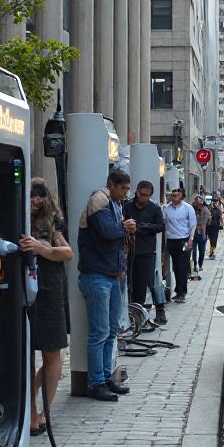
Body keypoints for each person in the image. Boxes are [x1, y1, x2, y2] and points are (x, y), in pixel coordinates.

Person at [77, 169, 136, 401]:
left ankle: (104, 377)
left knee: (110, 331)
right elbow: (108, 232)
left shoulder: (114, 204)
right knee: (99, 332)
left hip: (111, 276)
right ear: (111, 185)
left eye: (126, 190)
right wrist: (125, 228)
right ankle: (95, 382)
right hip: (97, 275)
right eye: (122, 189)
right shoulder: (99, 201)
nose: (124, 194)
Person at [19, 179, 72, 436]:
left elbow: (67, 252)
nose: (35, 200)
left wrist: (40, 247)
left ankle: (43, 413)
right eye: (30, 195)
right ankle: (30, 414)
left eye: (39, 195)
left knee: (51, 353)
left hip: (49, 292)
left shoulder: (53, 223)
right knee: (25, 356)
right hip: (21, 295)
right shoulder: (15, 217)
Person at [124, 180, 168, 325]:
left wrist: (141, 227)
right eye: (141, 194)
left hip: (147, 251)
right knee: (129, 283)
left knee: (146, 282)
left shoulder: (154, 209)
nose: (143, 198)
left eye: (146, 196)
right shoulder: (128, 205)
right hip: (129, 251)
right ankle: (130, 314)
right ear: (136, 191)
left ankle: (143, 313)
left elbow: (160, 226)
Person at [163, 186, 197, 303]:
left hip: (183, 239)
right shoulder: (167, 209)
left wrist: (191, 239)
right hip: (171, 240)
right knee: (175, 267)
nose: (174, 198)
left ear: (181, 196)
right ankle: (177, 290)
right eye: (173, 195)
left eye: (177, 195)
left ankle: (182, 292)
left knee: (182, 266)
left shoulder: (188, 208)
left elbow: (193, 225)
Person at [191, 196, 211, 277]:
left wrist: (204, 234)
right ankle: (195, 265)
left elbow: (205, 223)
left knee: (202, 250)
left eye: (199, 200)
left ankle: (200, 264)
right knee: (194, 251)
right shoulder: (192, 208)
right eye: (196, 201)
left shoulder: (205, 210)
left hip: (202, 232)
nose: (198, 202)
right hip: (194, 232)